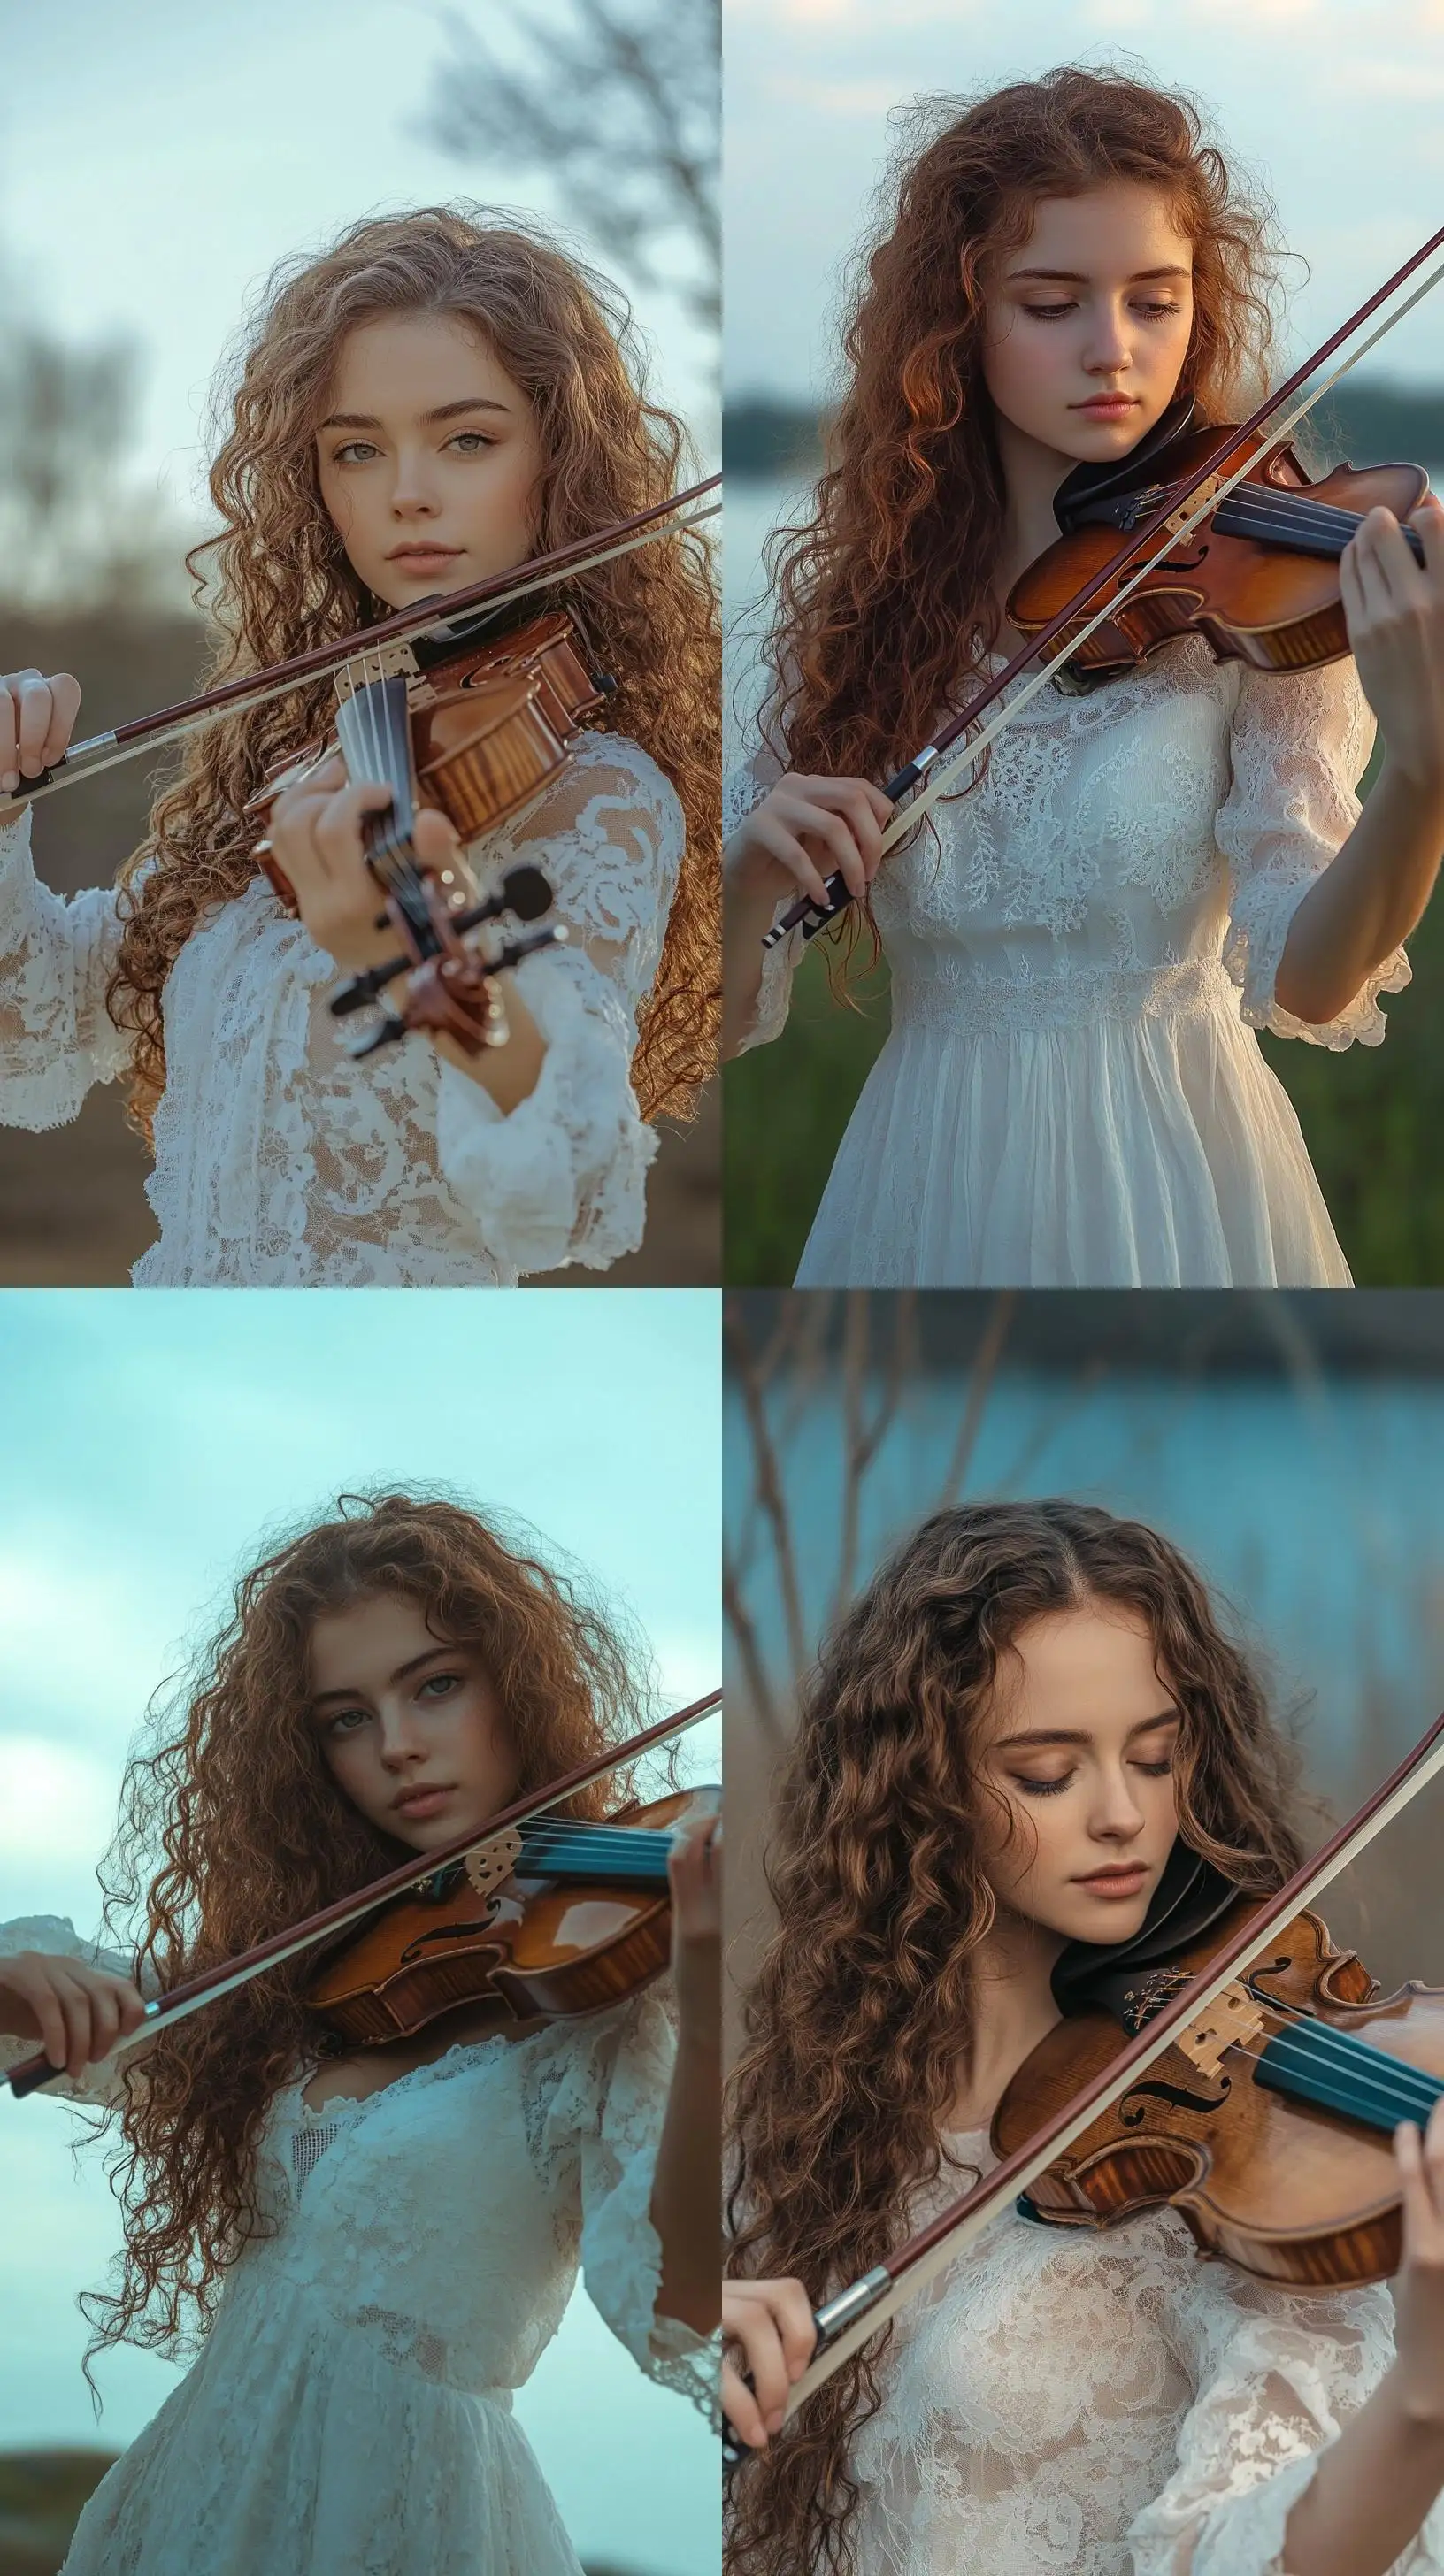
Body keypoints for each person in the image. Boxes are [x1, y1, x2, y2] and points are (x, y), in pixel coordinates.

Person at [722, 70, 1444, 1287]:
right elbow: (714, 1022)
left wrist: (1423, 774)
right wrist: (747, 876)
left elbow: (1312, 985)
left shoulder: (1256, 614)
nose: (1114, 349)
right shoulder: (855, 628)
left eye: (1154, 303)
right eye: (1052, 303)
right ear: (956, 327)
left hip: (1181, 1164)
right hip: (929, 1166)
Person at [0, 1491, 720, 2576]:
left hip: (415, 2520)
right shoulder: (283, 1992)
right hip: (193, 2509)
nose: (397, 1746)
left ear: (512, 1688)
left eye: (436, 1685)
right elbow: (70, 2023)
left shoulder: (606, 2008)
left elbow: (677, 2307)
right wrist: (17, 1972)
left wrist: (709, 2010)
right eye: (347, 1716)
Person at [0, 206, 719, 1285]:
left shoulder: (599, 794)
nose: (407, 492)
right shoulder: (302, 757)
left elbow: (567, 1183)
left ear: (560, 461)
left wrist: (398, 953)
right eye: (357, 450)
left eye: (466, 439)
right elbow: (41, 1028)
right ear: (317, 484)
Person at [723, 1499, 1444, 2575]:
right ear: (924, 1787)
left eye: (1155, 1757)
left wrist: (1424, 2399)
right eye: (1048, 1773)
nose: (1123, 1814)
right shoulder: (798, 2132)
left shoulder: (1241, 2181)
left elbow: (1242, 2554)